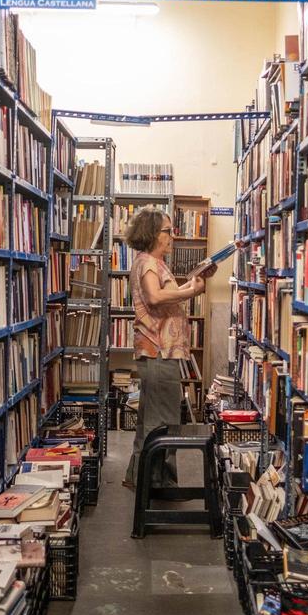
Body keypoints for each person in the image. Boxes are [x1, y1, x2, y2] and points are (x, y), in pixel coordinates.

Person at [122, 207, 217, 489]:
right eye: (167, 230)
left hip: (157, 352)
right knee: (163, 420)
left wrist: (196, 282)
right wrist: (192, 291)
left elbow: (168, 295)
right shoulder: (149, 263)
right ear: (152, 233)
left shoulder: (151, 262)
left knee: (150, 418)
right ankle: (157, 484)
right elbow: (155, 297)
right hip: (158, 351)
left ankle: (139, 478)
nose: (171, 236)